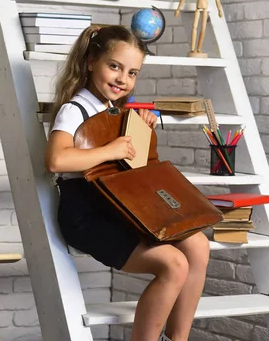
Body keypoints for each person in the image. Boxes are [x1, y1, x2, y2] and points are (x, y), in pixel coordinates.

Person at [45, 25, 210, 341]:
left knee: (199, 246)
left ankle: (178, 339)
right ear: (91, 61)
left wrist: (138, 127)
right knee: (174, 264)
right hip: (87, 214)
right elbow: (56, 161)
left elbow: (128, 162)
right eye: (114, 66)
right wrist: (111, 148)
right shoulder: (74, 109)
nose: (123, 79)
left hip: (118, 205)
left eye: (132, 72)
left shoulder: (112, 110)